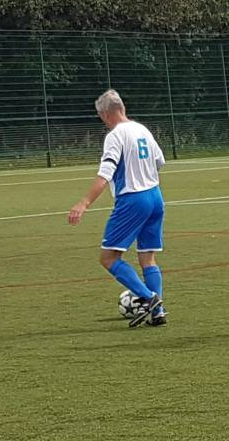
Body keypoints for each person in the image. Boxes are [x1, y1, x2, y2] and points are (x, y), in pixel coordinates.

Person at [67, 89, 167, 327]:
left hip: (133, 199)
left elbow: (105, 174)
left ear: (105, 114)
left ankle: (149, 297)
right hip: (155, 196)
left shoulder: (115, 135)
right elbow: (159, 162)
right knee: (148, 258)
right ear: (122, 108)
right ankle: (158, 312)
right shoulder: (142, 129)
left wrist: (83, 203)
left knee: (109, 258)